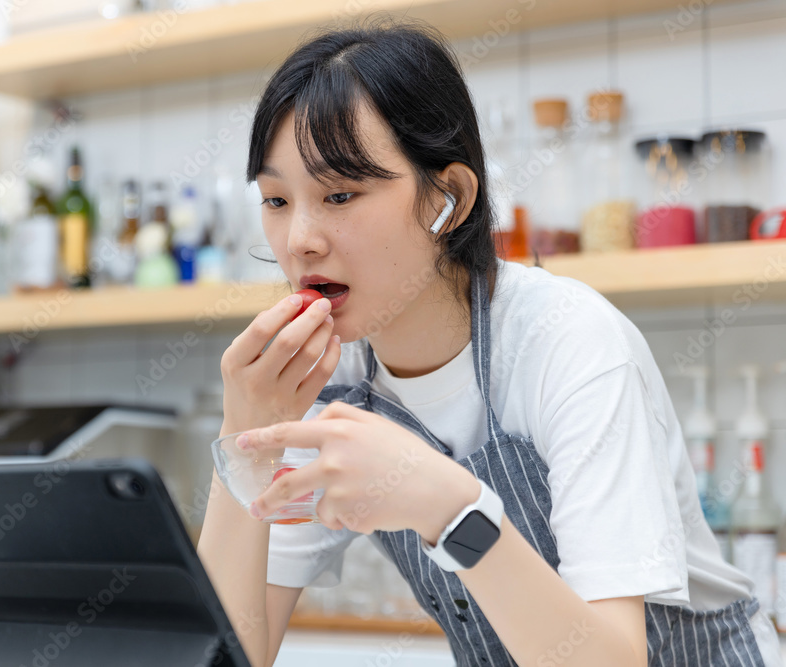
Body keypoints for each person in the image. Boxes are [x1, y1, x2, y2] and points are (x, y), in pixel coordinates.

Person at [196, 17, 782, 667]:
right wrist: (243, 434)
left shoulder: (568, 341)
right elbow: (229, 654)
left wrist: (449, 506)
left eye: (339, 193)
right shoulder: (321, 383)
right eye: (276, 200)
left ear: (449, 197)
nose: (299, 239)